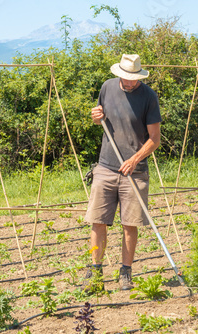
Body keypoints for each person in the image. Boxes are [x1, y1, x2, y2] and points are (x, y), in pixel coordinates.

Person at [82, 54, 161, 293]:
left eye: (133, 79)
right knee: (98, 221)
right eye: (125, 78)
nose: (129, 82)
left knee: (130, 224)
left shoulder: (148, 97)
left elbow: (154, 140)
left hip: (135, 171)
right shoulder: (107, 87)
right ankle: (95, 272)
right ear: (119, 74)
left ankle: (125, 272)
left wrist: (135, 158)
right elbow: (101, 119)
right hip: (105, 166)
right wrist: (96, 118)